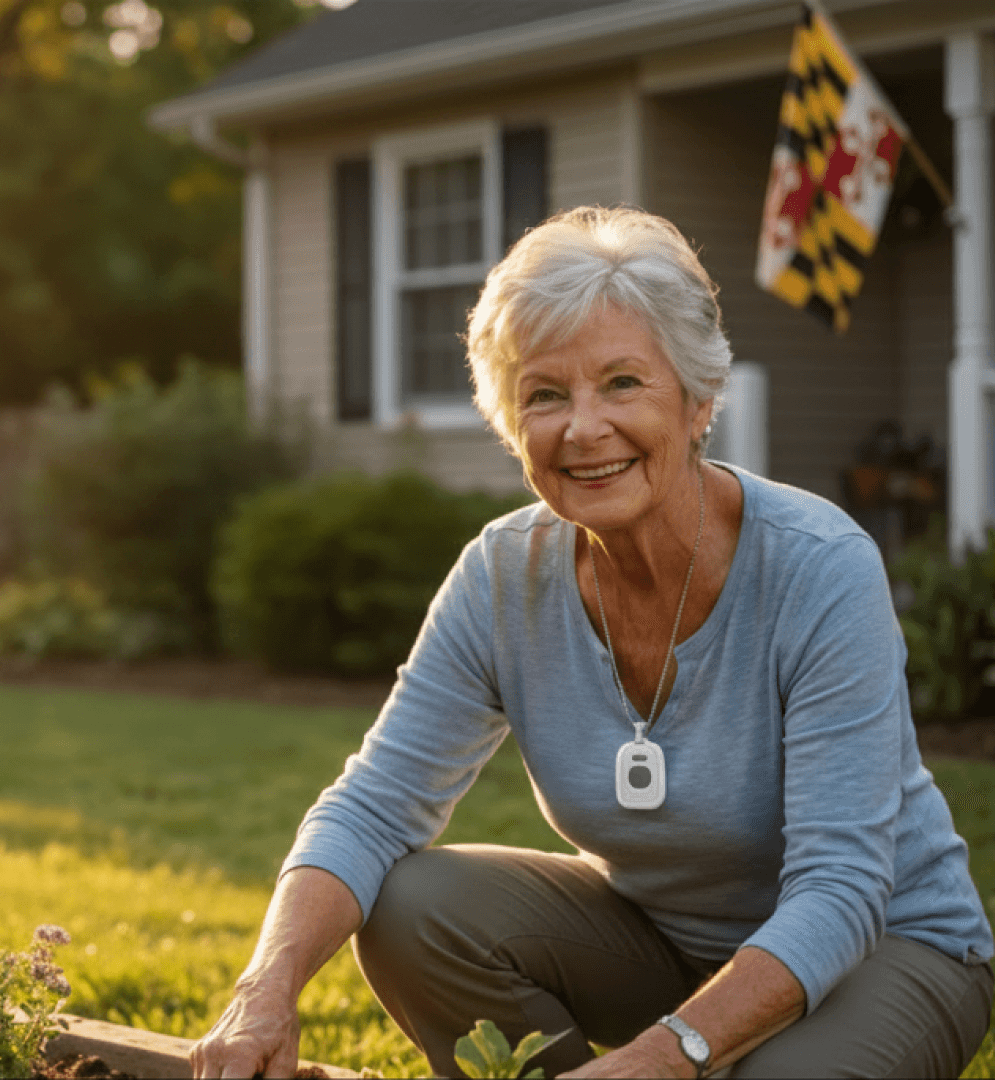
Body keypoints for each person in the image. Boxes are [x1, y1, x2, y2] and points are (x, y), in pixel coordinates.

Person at [190, 207, 994, 1079]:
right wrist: (264, 987)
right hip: (663, 942)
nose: (583, 428)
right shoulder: (503, 574)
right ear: (511, 425)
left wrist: (666, 1055)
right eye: (544, 394)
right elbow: (373, 805)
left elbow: (842, 889)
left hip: (890, 950)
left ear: (696, 401)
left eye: (621, 383)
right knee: (411, 904)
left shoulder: (820, 566)